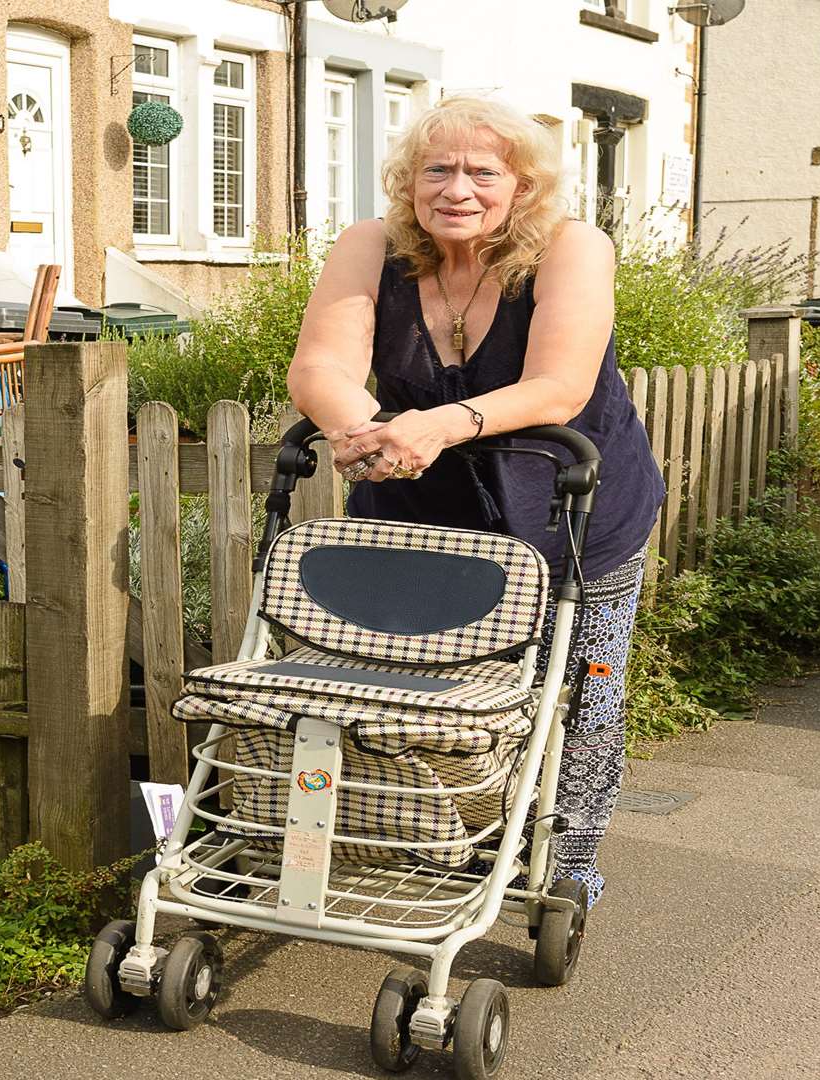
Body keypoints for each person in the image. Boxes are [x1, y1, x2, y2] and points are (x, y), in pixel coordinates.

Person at [286, 95, 665, 908]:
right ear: (408, 181)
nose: (458, 187)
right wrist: (364, 428)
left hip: (574, 512)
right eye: (438, 168)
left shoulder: (572, 248)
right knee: (428, 683)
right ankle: (451, 833)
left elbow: (559, 387)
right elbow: (320, 366)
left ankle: (570, 864)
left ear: (522, 186)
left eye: (483, 171)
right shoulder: (371, 248)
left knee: (583, 691)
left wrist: (435, 425)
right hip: (427, 515)